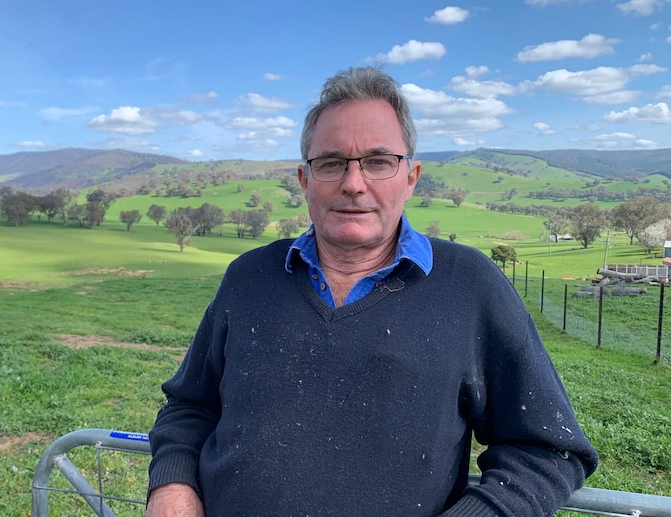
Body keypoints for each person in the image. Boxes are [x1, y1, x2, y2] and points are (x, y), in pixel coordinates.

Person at [146, 66, 598, 516]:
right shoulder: (248, 277)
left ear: (411, 177)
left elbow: (547, 451)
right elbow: (189, 406)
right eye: (331, 163)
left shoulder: (470, 286)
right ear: (305, 180)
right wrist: (171, 486)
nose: (353, 183)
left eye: (379, 161)